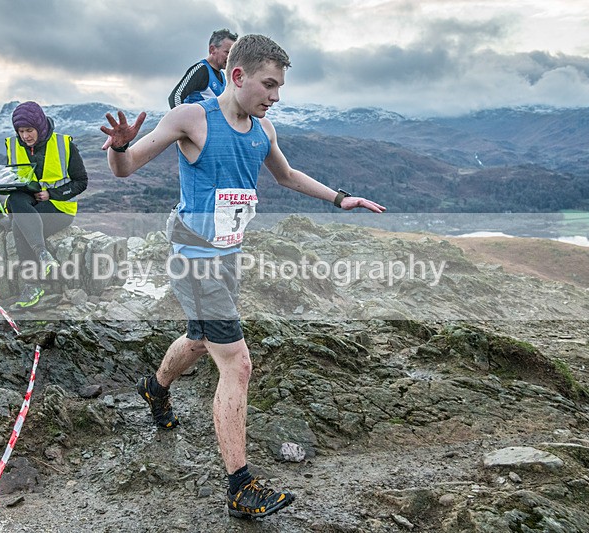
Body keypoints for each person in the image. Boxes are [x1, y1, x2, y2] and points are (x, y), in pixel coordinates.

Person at [101, 34, 385, 519]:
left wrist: (341, 198)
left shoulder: (263, 131)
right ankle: (239, 486)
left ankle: (155, 386)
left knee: (199, 339)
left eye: (279, 87)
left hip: (227, 254)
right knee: (237, 363)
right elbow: (126, 169)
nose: (275, 95)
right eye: (269, 84)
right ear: (237, 76)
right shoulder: (192, 118)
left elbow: (288, 176)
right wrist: (118, 149)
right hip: (195, 256)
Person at [4, 101, 88, 309]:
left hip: (60, 207)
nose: (25, 136)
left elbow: (81, 182)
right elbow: (15, 177)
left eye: (29, 130)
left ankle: (32, 285)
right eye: (20, 131)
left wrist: (51, 194)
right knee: (15, 199)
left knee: (18, 226)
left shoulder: (64, 144)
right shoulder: (13, 145)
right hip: (29, 204)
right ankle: (43, 255)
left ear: (39, 126)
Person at [168, 28, 238, 109]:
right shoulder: (201, 70)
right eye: (227, 52)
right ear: (212, 49)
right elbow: (175, 97)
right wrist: (182, 120)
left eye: (233, 54)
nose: (230, 57)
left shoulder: (223, 76)